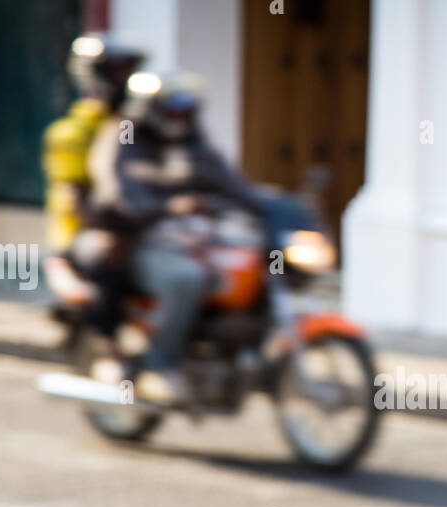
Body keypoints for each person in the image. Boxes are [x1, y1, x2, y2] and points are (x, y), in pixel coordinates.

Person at [86, 70, 278, 404]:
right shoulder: (127, 139)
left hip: (193, 241)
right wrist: (171, 206)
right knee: (186, 278)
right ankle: (161, 365)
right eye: (173, 109)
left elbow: (233, 187)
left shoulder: (195, 147)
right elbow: (124, 197)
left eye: (187, 109)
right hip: (137, 242)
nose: (181, 116)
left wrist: (276, 208)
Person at [42, 33, 146, 384]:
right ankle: (110, 352)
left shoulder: (135, 124)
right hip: (85, 234)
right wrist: (110, 227)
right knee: (110, 257)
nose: (124, 79)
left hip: (132, 225)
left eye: (128, 71)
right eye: (117, 71)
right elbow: (76, 199)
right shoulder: (72, 134)